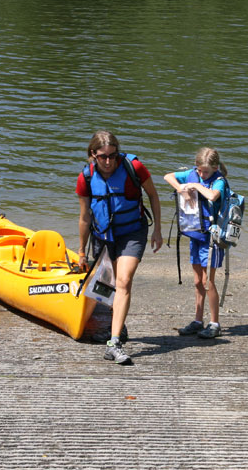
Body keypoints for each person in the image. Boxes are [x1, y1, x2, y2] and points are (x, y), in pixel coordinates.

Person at [76, 131, 163, 364]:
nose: (108, 161)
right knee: (108, 286)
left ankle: (114, 343)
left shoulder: (134, 167)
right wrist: (82, 251)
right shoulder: (85, 177)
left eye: (112, 156)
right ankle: (119, 327)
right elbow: (85, 218)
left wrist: (157, 230)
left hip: (133, 232)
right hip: (103, 237)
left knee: (124, 281)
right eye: (103, 156)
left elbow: (153, 196)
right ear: (93, 154)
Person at [164, 147, 228, 339]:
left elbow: (212, 196)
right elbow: (168, 176)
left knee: (209, 282)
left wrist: (194, 185)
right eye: (199, 170)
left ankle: (215, 323)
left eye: (205, 171)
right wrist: (181, 188)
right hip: (195, 235)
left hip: (212, 239)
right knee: (197, 281)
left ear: (215, 168)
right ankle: (198, 320)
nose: (201, 174)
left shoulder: (219, 181)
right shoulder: (193, 173)